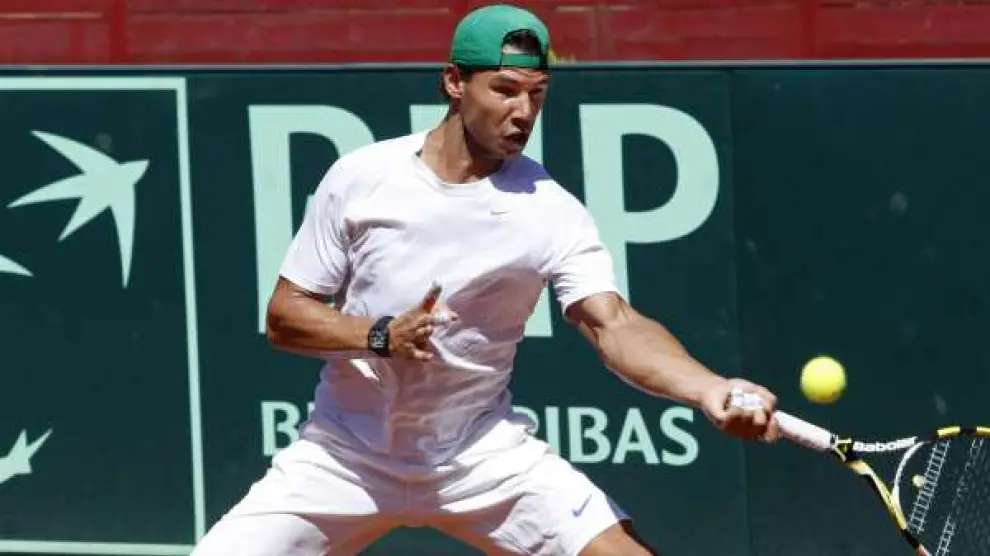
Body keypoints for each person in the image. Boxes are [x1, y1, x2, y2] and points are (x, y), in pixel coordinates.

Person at [191, 4, 780, 555]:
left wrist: (707, 387)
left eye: (536, 94)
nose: (523, 112)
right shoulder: (362, 177)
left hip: (480, 455)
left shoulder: (551, 210)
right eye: (504, 89)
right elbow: (285, 316)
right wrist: (381, 336)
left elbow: (615, 325)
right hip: (343, 454)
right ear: (454, 82)